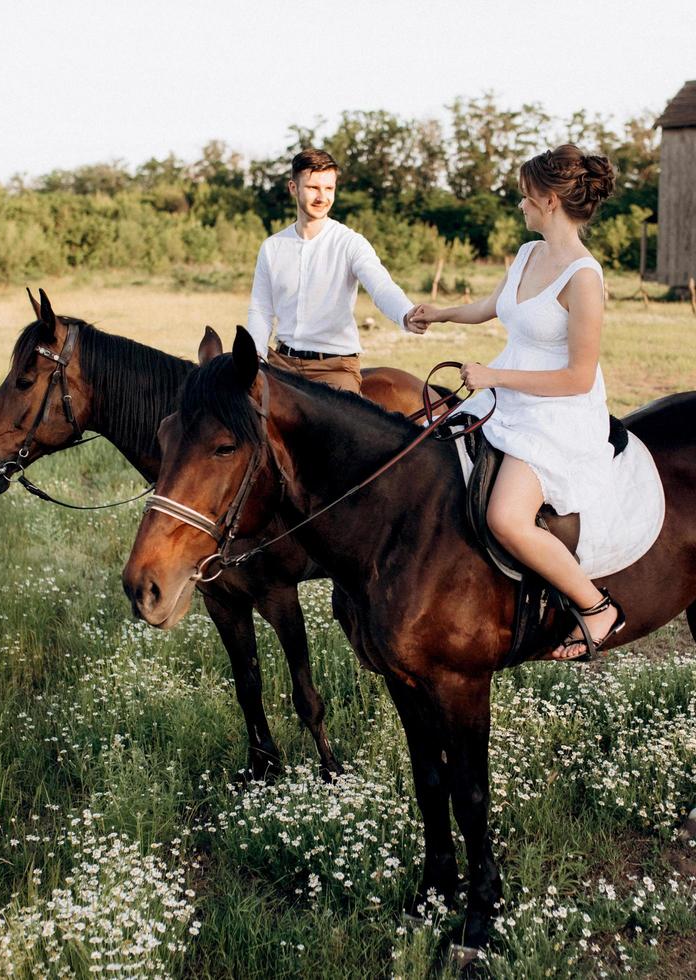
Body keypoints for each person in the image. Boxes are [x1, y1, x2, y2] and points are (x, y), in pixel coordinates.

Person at [407, 144, 623, 660]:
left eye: (525, 196)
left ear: (549, 201)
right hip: (509, 393)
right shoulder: (528, 254)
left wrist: (493, 375)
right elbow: (492, 306)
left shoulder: (584, 279)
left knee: (506, 517)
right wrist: (440, 313)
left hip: (554, 414)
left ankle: (597, 608)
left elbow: (577, 376)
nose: (519, 205)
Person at [246, 148, 426, 395]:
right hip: (281, 365)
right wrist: (255, 358)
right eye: (313, 188)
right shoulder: (272, 247)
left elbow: (381, 286)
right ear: (293, 188)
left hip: (335, 367)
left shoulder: (350, 243)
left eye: (329, 189)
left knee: (343, 432)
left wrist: (405, 313)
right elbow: (261, 310)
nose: (322, 197)